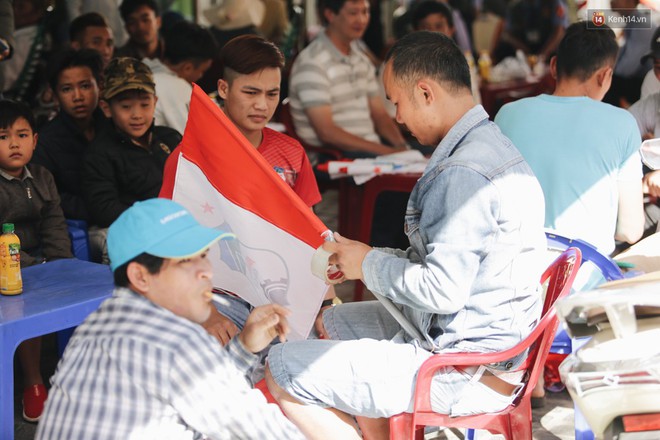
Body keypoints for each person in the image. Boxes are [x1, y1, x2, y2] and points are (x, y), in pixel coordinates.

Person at [265, 31, 547, 440]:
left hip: (462, 366)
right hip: (483, 340)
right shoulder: (490, 146)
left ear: (426, 93)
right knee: (331, 322)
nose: (396, 117)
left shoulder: (462, 173)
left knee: (283, 366)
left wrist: (366, 263)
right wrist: (365, 255)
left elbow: (441, 290)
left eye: (397, 102)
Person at [35, 198, 304, 439]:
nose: (206, 272)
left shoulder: (98, 324)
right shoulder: (171, 341)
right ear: (140, 277)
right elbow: (256, 427)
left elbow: (201, 395)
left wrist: (244, 346)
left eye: (203, 256)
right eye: (185, 261)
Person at [160, 35, 325, 348]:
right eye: (251, 92)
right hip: (220, 295)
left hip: (282, 292)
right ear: (223, 89)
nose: (262, 105)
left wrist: (326, 304)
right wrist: (204, 311)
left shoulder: (291, 153)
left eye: (272, 94)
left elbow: (311, 238)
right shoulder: (189, 160)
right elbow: (170, 247)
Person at [496, 22, 644, 257]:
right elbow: (630, 230)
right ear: (605, 75)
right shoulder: (622, 123)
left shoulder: (507, 114)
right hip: (583, 278)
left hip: (515, 268)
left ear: (553, 66)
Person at [0, 99, 72, 422]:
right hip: (6, 268)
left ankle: (57, 378)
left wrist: (61, 267)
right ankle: (32, 380)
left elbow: (55, 225)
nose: (14, 143)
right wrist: (34, 269)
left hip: (40, 265)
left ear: (35, 140)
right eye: (2, 137)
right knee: (22, 301)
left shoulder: (42, 177)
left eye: (22, 134)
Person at [82, 57, 180, 262]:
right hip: (137, 232)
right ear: (106, 108)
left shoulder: (171, 138)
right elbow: (104, 208)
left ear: (155, 102)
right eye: (126, 107)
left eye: (144, 104)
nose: (137, 115)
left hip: (180, 224)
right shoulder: (100, 153)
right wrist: (153, 219)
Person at [288, 0, 408, 157]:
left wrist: (402, 146)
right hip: (336, 158)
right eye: (353, 13)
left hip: (370, 153)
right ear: (330, 15)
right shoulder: (312, 62)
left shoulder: (361, 60)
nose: (362, 20)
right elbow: (327, 132)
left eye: (365, 12)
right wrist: (388, 152)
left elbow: (380, 115)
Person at [32, 48, 106, 220]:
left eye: (85, 86)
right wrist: (97, 211)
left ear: (100, 86)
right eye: (67, 89)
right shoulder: (46, 143)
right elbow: (50, 198)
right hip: (75, 227)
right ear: (55, 95)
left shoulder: (115, 129)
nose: (78, 96)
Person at [143, 20, 216, 134]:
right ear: (187, 68)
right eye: (202, 71)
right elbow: (197, 136)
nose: (201, 76)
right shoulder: (178, 88)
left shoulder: (144, 71)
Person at [493, 0, 568, 64]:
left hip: (548, 47)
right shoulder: (515, 7)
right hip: (525, 49)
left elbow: (559, 32)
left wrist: (543, 55)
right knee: (503, 48)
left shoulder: (553, 3)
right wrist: (521, 48)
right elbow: (507, 34)